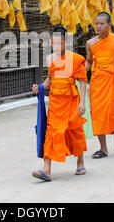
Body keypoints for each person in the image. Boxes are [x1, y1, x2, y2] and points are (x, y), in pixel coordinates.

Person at [31, 26, 88, 181]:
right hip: (56, 101)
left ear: (66, 42)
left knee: (74, 131)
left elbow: (83, 81)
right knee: (51, 132)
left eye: (59, 43)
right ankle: (47, 170)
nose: (56, 46)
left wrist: (82, 102)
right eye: (53, 43)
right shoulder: (50, 58)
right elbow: (51, 79)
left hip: (70, 100)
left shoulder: (75, 58)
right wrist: (40, 87)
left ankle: (80, 161)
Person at [85, 12, 114, 159]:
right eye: (96, 23)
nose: (98, 26)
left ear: (109, 25)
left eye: (101, 23)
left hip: (111, 81)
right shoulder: (90, 43)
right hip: (97, 82)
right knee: (97, 115)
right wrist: (76, 73)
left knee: (110, 113)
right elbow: (89, 62)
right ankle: (103, 149)